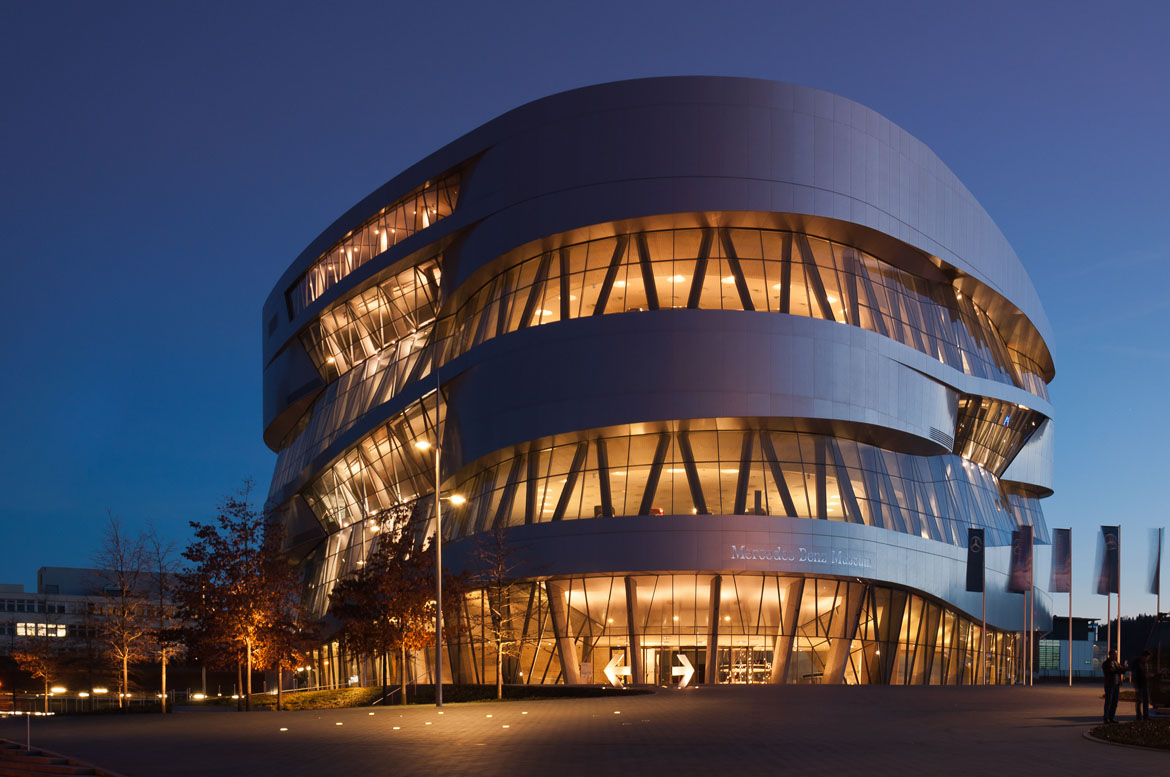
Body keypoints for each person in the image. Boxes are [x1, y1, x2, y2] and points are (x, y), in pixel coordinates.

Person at [1102, 648, 1126, 724]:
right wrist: (1120, 669)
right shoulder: (1106, 663)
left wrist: (1124, 668)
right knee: (1108, 702)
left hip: (1116, 685)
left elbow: (1121, 671)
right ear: (1110, 655)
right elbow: (1111, 671)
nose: (1116, 655)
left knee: (1115, 702)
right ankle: (1106, 718)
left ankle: (1112, 717)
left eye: (1116, 654)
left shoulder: (1116, 663)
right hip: (1110, 685)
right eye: (1114, 654)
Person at [1132, 649, 1152, 721]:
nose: (1148, 659)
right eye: (1147, 657)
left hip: (1145, 685)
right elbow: (1136, 675)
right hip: (1139, 685)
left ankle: (1146, 715)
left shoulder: (1146, 663)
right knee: (1139, 701)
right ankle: (1139, 716)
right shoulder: (1137, 663)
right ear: (1144, 656)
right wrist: (1136, 686)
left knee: (1146, 701)